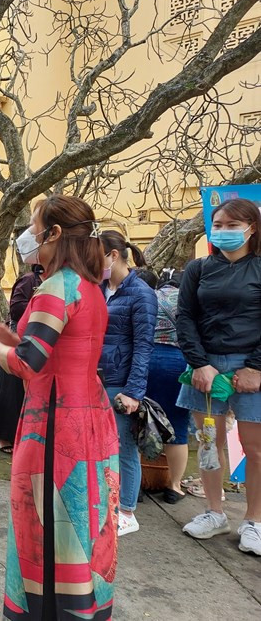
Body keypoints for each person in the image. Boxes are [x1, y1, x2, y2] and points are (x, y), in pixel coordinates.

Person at [0, 194, 119, 620]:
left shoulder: (55, 286)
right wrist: (7, 336)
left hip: (51, 425)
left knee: (45, 523)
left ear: (55, 233)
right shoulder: (88, 286)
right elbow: (55, 349)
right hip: (89, 417)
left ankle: (47, 610)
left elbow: (28, 364)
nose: (28, 237)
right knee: (83, 519)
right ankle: (81, 606)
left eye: (33, 227)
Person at [176, 198, 261, 557]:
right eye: (219, 224)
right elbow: (185, 318)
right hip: (205, 369)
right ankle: (214, 511)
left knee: (256, 449)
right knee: (209, 443)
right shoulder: (198, 269)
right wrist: (199, 363)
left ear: (252, 228)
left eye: (232, 225)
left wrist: (255, 367)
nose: (224, 231)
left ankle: (254, 521)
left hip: (252, 371)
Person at [98, 230, 156, 537]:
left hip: (120, 383)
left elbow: (144, 346)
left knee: (124, 447)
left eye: (97, 256)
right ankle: (108, 505)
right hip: (97, 379)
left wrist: (134, 392)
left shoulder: (141, 293)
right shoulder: (100, 288)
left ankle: (128, 511)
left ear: (114, 255)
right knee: (102, 448)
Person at [145, 268, 190, 504]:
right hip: (178, 362)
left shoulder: (151, 295)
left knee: (142, 420)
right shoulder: (189, 298)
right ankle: (174, 486)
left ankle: (139, 480)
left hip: (146, 359)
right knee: (177, 426)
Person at [0, 264, 43, 453]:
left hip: (38, 340)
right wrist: (38, 307)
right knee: (10, 392)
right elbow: (16, 308)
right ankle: (4, 437)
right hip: (17, 340)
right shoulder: (29, 280)